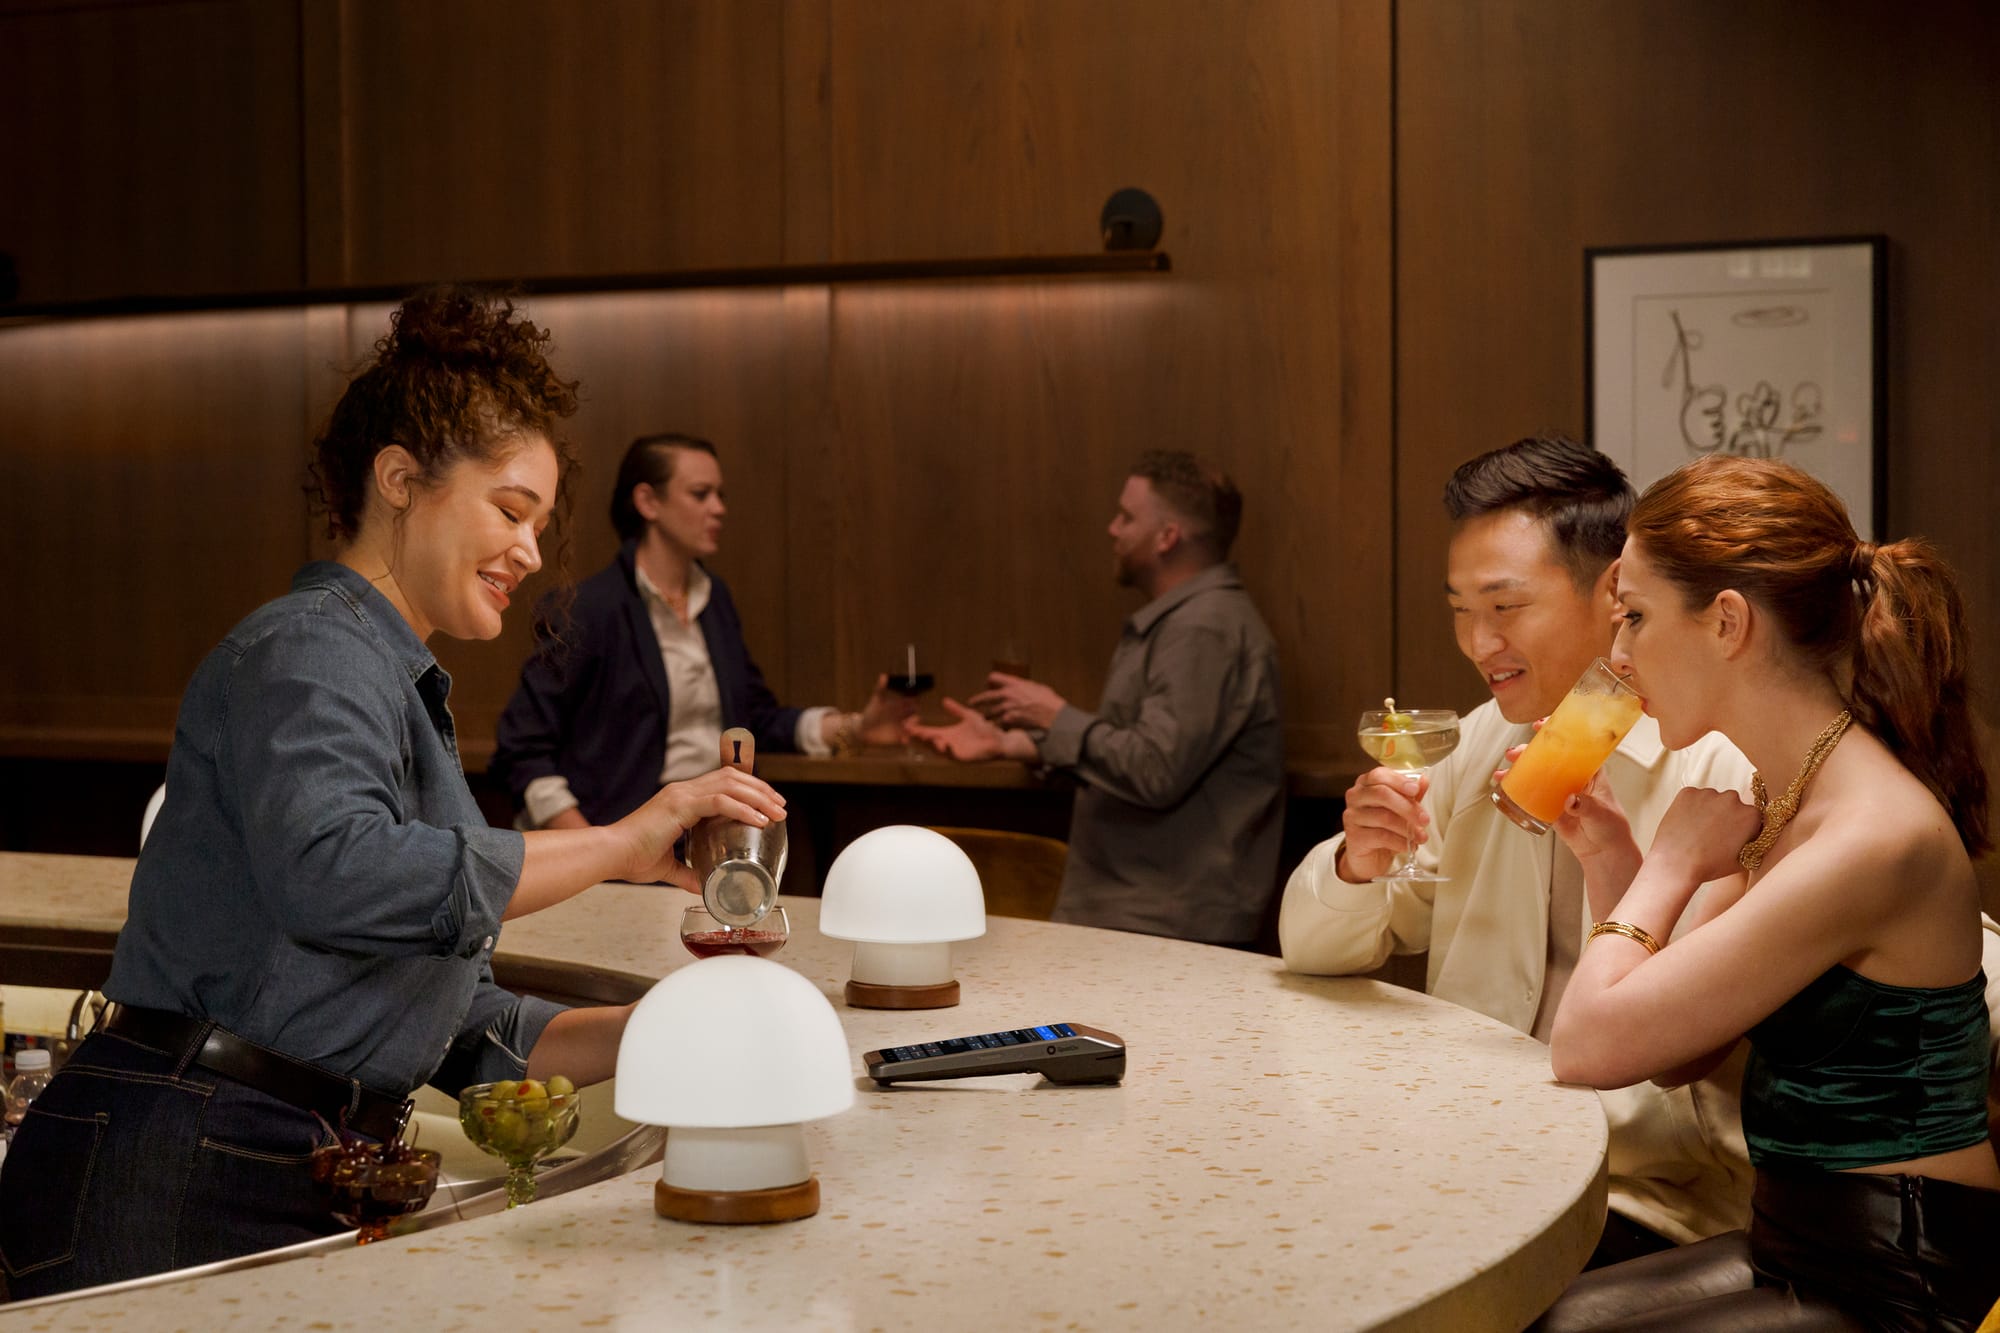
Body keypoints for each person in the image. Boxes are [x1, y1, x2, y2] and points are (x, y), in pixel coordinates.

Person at [0, 289, 786, 1297]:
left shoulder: (391, 684)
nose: (531, 554)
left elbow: (459, 1028)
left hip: (264, 1150)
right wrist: (627, 843)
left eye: (541, 525)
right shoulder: (308, 647)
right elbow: (342, 876)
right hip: (175, 1157)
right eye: (510, 510)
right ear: (401, 480)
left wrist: (683, 1016)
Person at [1533, 457, 1999, 1330]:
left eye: (1633, 615)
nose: (1617, 655)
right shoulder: (1792, 787)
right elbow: (1674, 1049)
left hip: (1900, 1268)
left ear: (1728, 622)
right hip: (1794, 1236)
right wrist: (1615, 862)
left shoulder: (1872, 834)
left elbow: (1587, 1048)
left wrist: (1672, 869)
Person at [1282, 435, 1762, 1263]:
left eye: (1505, 606)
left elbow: (1685, 1048)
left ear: (1615, 592)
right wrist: (1358, 864)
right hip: (1456, 1157)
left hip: (1646, 1192)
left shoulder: (1718, 768)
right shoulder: (1475, 746)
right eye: (1461, 609)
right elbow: (1314, 949)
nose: (1477, 641)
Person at [908, 450, 1283, 946]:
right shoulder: (1184, 622)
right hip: (1144, 914)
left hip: (1164, 923)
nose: (1112, 529)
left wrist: (1054, 715)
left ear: (1168, 536)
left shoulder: (1203, 628)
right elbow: (1140, 750)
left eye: (1127, 517)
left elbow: (1155, 769)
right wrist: (1021, 744)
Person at [490, 431, 910, 829]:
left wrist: (856, 729)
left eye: (720, 495)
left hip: (717, 828)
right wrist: (593, 847)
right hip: (623, 836)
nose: (719, 507)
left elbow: (754, 721)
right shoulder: (586, 608)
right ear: (648, 502)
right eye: (700, 494)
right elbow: (523, 750)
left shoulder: (715, 599)